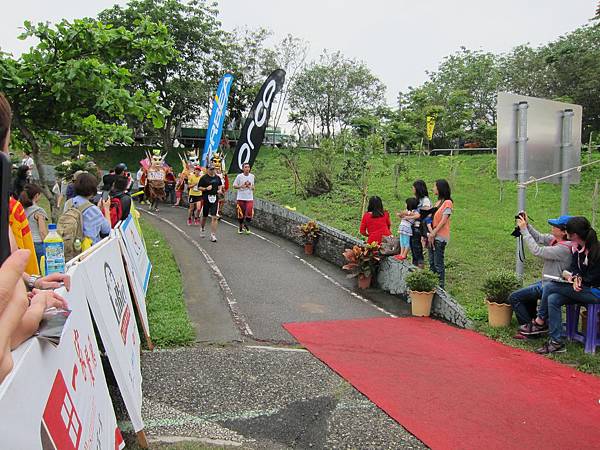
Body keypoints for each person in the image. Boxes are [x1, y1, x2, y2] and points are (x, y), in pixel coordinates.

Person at [535, 217, 600, 354]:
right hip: (580, 289)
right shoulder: (578, 249)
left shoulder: (596, 251)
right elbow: (573, 268)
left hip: (594, 292)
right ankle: (556, 342)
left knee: (549, 287)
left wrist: (579, 280)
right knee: (553, 299)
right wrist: (571, 276)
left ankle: (540, 320)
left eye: (567, 231)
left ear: (574, 235)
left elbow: (594, 277)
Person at [509, 214, 572, 339]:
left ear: (564, 232)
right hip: (546, 282)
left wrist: (524, 230)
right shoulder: (555, 240)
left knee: (514, 298)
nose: (552, 227)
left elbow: (537, 251)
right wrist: (527, 225)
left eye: (555, 226)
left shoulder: (564, 249)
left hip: (552, 285)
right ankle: (535, 326)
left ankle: (530, 330)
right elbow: (538, 237)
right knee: (526, 296)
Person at [65, 172, 111, 245]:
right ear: (93, 189)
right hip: (87, 249)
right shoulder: (93, 209)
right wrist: (106, 209)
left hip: (70, 245)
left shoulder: (68, 203)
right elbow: (107, 230)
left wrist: (97, 208)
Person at [428, 179, 453, 288]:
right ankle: (432, 285)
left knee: (438, 263)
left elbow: (444, 220)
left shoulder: (448, 202)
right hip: (432, 235)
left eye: (435, 186)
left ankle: (440, 287)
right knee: (431, 262)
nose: (433, 189)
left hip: (440, 236)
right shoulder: (437, 202)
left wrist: (434, 232)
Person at [20, 184, 49, 268]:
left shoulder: (20, 209)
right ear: (36, 195)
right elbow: (42, 231)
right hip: (38, 243)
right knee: (42, 269)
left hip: (25, 243)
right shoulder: (39, 211)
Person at [198, 163, 223, 242]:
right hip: (206, 198)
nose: (212, 171)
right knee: (204, 217)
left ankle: (213, 235)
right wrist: (206, 189)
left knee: (214, 217)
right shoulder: (204, 178)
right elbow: (199, 187)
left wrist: (219, 190)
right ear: (207, 169)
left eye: (213, 169)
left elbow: (220, 185)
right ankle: (202, 228)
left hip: (215, 198)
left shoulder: (217, 178)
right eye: (211, 169)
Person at [233, 162, 255, 234]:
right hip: (241, 198)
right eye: (245, 167)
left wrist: (251, 187)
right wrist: (241, 186)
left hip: (249, 198)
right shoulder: (239, 176)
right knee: (241, 214)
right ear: (243, 169)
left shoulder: (252, 176)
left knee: (249, 213)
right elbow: (234, 186)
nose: (247, 169)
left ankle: (246, 224)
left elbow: (253, 187)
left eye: (248, 167)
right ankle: (240, 226)